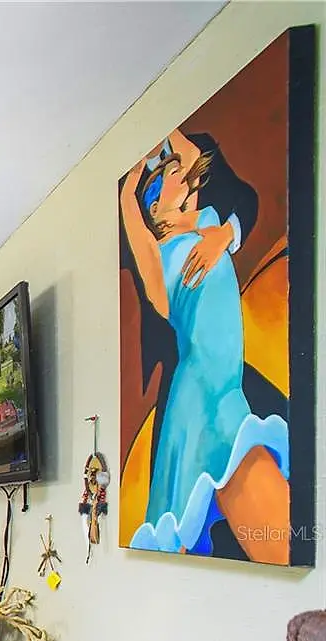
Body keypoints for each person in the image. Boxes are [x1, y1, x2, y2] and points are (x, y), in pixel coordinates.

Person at [120, 128, 289, 561]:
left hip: (223, 385)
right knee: (189, 536)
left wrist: (217, 231)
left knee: (196, 534)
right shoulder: (156, 259)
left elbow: (198, 164)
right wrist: (130, 185)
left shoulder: (208, 224)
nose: (182, 173)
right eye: (170, 173)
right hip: (203, 395)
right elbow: (136, 220)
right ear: (153, 205)